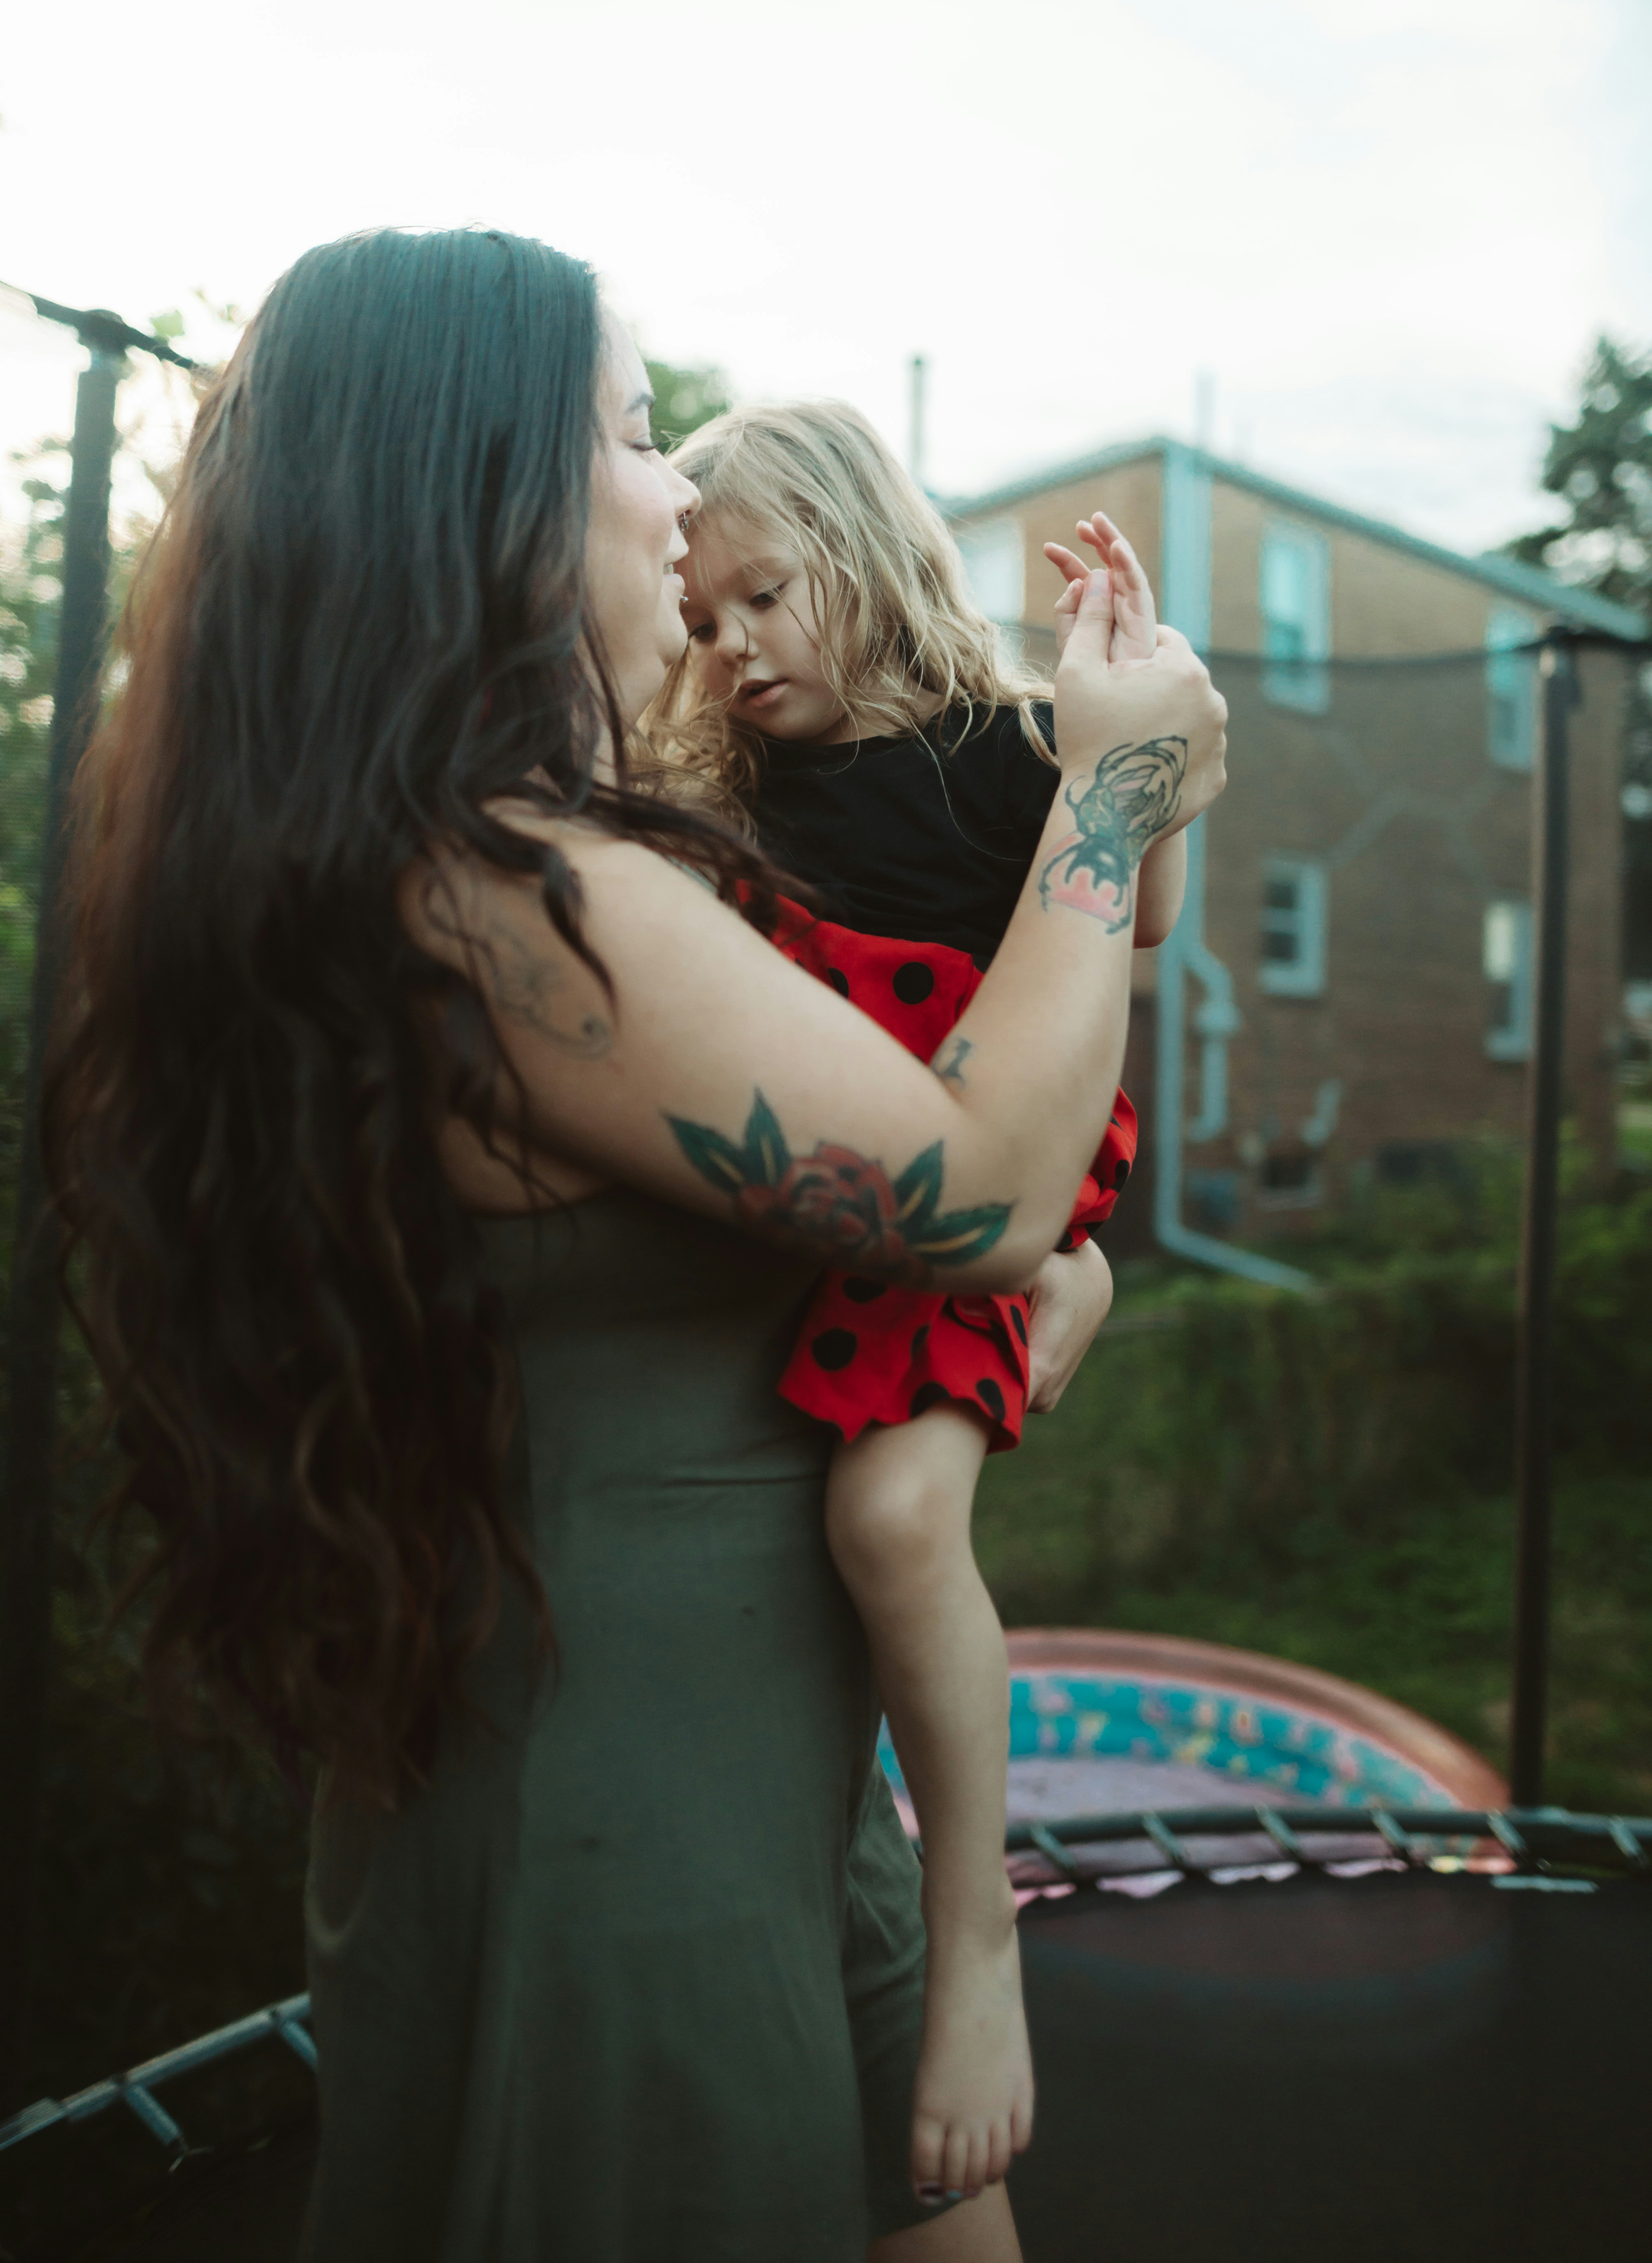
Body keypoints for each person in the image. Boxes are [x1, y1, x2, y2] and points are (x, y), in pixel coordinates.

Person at [44, 228, 1227, 2263]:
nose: (679, 492)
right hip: (629, 1854)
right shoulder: (503, 901)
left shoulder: (518, 855)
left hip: (768, 1801)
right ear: (487, 496)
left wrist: (1057, 1296)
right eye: (625, 433)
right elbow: (983, 1190)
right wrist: (1109, 790)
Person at [646, 399, 1184, 2201]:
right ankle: (1061, 1300)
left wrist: (1157, 724)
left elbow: (1151, 912)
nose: (733, 651)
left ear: (866, 558)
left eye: (766, 601)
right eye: (701, 622)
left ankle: (976, 1945)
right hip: (868, 1201)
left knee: (889, 1515)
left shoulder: (1003, 746)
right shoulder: (726, 794)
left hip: (983, 1180)